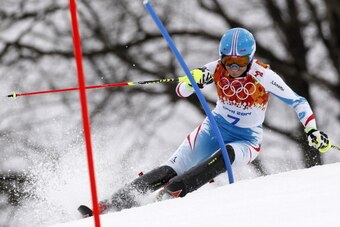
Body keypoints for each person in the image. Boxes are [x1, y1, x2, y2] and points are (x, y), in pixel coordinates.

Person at [78, 27, 331, 217]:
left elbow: (298, 101)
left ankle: (172, 193)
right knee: (169, 169)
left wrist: (311, 130)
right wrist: (193, 79)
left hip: (246, 141)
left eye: (240, 62)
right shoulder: (217, 68)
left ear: (250, 59)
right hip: (214, 128)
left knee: (227, 154)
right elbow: (181, 92)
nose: (233, 67)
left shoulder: (263, 75)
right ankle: (111, 204)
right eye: (228, 60)